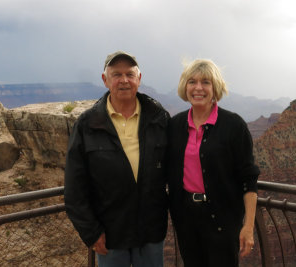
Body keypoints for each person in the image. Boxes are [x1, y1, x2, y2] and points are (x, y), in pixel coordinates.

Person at [64, 51, 170, 267]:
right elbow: (75, 187)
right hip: (109, 234)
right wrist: (91, 233)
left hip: (151, 232)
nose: (124, 80)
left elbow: (177, 171)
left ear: (139, 79)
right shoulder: (87, 124)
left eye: (130, 74)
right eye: (116, 74)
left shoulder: (159, 119)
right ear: (105, 80)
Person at [167, 59, 260, 267]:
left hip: (223, 220)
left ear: (215, 87)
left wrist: (248, 226)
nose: (198, 88)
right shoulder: (174, 126)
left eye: (206, 82)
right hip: (186, 219)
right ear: (185, 86)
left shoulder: (234, 125)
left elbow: (248, 178)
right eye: (192, 82)